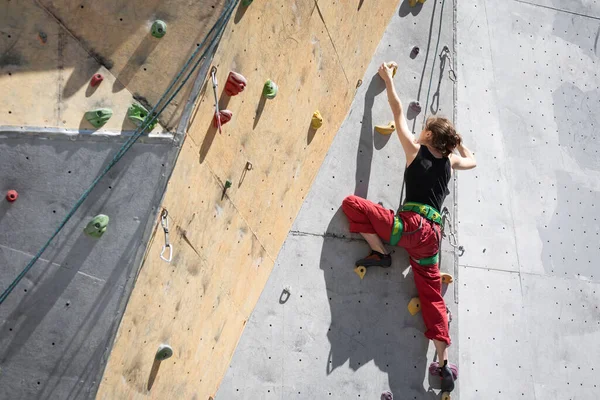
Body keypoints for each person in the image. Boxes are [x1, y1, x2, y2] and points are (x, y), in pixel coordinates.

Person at [342, 62, 476, 395]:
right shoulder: (449, 162)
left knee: (352, 205)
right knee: (431, 296)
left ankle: (379, 251)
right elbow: (472, 159)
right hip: (431, 241)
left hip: (409, 227)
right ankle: (444, 363)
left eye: (426, 128)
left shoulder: (415, 150)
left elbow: (398, 111)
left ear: (429, 136)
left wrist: (387, 80)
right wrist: (455, 146)